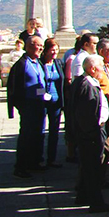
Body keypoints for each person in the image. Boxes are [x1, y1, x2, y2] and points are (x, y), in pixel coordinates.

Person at [70, 55, 109, 213]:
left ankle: (83, 195)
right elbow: (86, 114)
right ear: (93, 69)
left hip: (91, 132)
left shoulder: (84, 82)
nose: (103, 69)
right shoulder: (87, 86)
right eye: (101, 66)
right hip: (92, 134)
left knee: (88, 166)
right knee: (93, 167)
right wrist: (93, 134)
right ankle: (96, 202)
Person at [6, 36, 47, 178]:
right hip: (28, 104)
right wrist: (20, 106)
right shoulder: (22, 64)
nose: (41, 48)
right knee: (26, 136)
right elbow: (14, 87)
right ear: (29, 46)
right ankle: (21, 166)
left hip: (40, 103)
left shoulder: (38, 62)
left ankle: (34, 162)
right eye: (38, 45)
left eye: (42, 46)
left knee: (38, 134)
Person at [40, 38, 65, 168]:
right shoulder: (40, 63)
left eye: (56, 49)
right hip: (42, 102)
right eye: (52, 49)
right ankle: (39, 157)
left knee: (54, 131)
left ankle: (52, 158)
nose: (54, 52)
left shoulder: (58, 63)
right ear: (46, 50)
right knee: (41, 130)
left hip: (56, 101)